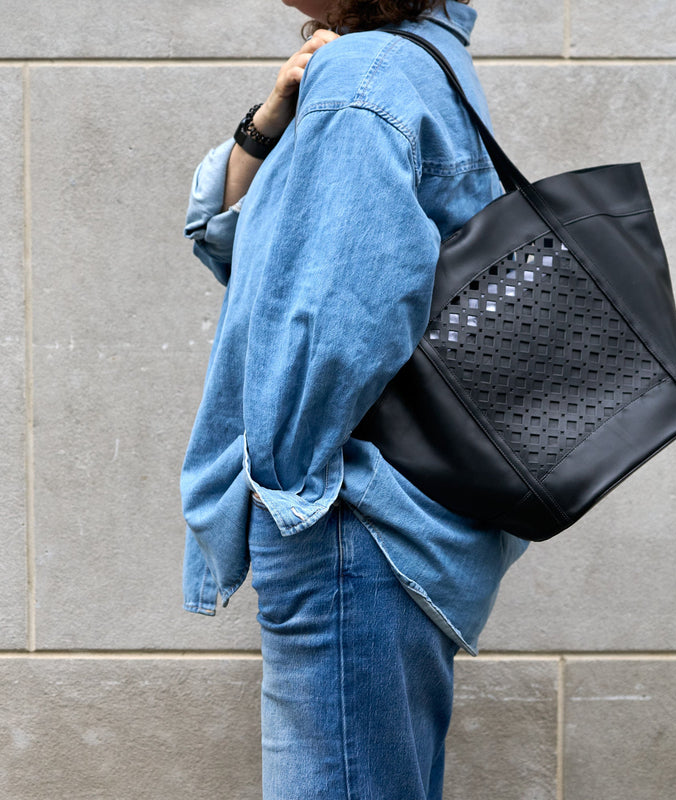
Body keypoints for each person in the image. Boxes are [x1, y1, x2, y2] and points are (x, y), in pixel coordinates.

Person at [180, 1, 528, 797]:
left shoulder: (368, 73)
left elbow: (337, 322)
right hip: (388, 541)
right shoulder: (412, 59)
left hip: (346, 532)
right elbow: (232, 241)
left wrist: (284, 500)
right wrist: (268, 124)